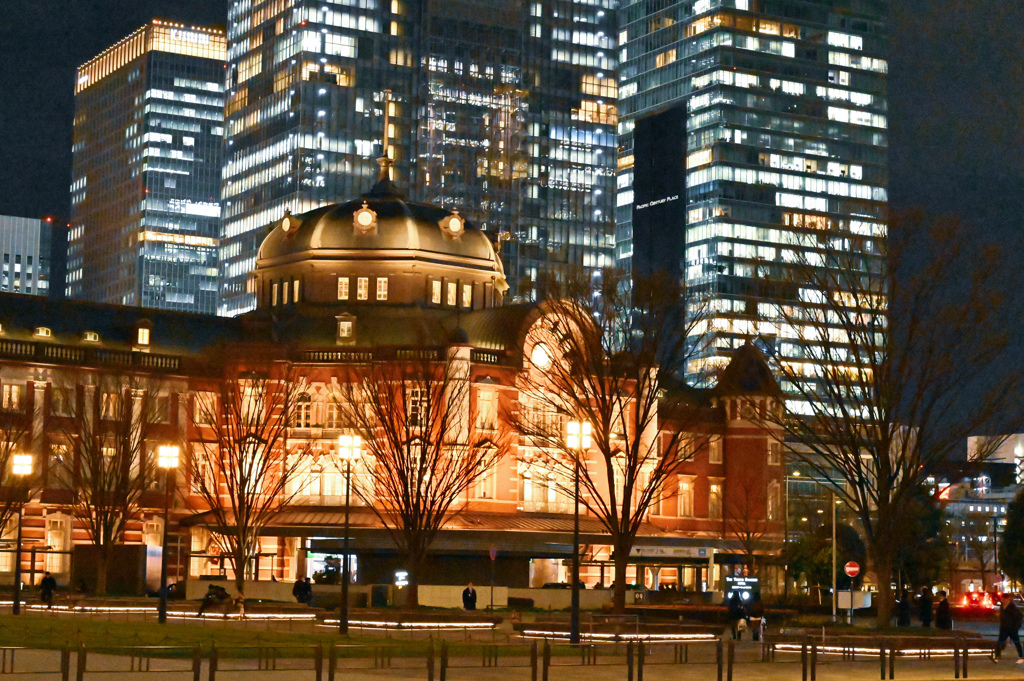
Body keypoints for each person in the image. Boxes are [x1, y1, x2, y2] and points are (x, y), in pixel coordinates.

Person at [993, 594, 1024, 663]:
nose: (1002, 601)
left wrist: (1016, 627)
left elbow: (1019, 617)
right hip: (1004, 627)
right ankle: (997, 655)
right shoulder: (1002, 606)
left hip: (1012, 628)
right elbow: (998, 612)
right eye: (1002, 599)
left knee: (1016, 642)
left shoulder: (1013, 607)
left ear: (1008, 599)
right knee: (1000, 641)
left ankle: (1021, 656)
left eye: (1004, 599)